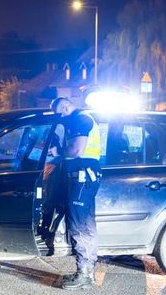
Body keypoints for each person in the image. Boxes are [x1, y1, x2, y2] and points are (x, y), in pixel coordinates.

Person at [49, 97, 102, 290]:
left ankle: (85, 275)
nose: (60, 117)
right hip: (83, 177)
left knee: (80, 225)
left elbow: (77, 149)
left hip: (82, 177)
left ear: (65, 107)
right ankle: (86, 272)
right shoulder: (78, 119)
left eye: (60, 113)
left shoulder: (81, 119)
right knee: (85, 223)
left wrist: (58, 151)